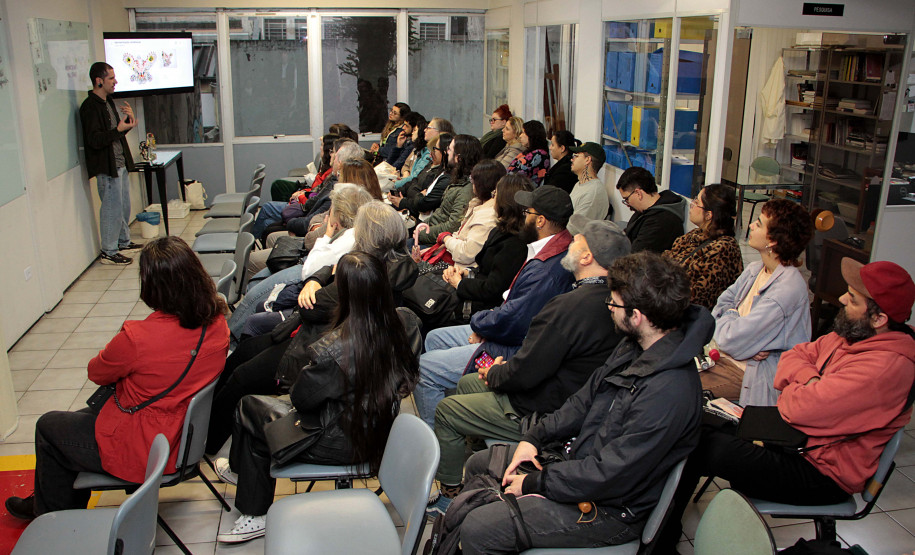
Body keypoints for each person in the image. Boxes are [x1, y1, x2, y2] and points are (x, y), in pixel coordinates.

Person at [457, 252, 714, 553]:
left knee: (479, 527)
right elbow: (583, 401)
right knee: (479, 464)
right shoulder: (636, 346)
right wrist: (534, 438)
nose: (609, 309)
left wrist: (534, 483)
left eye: (614, 303)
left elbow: (610, 474)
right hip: (581, 466)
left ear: (637, 316)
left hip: (610, 510)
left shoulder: (668, 392)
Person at [658, 258, 915, 552]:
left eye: (853, 298)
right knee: (697, 421)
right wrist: (812, 381)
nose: (843, 299)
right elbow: (795, 355)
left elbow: (796, 409)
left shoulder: (885, 368)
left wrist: (799, 389)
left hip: (821, 472)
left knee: (703, 446)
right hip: (795, 440)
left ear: (879, 318)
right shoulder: (853, 336)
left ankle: (662, 540)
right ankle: (661, 530)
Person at [5, 237, 230, 520]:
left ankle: (52, 519)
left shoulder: (138, 338)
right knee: (76, 421)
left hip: (146, 445)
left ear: (152, 286)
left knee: (49, 427)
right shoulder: (218, 323)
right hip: (185, 434)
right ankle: (48, 501)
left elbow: (96, 372)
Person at [428, 214, 630, 517]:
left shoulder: (572, 305)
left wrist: (496, 372)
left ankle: (448, 497)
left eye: (577, 239)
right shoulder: (613, 300)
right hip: (567, 398)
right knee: (467, 382)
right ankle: (476, 458)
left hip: (542, 410)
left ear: (587, 257)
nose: (570, 242)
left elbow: (527, 371)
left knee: (446, 411)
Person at [214, 251, 422, 544]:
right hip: (380, 430)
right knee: (254, 408)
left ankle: (255, 512)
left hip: (343, 442)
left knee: (248, 407)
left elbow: (301, 399)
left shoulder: (335, 349)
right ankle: (241, 472)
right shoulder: (405, 323)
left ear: (344, 293)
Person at [208, 201, 417, 454]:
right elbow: (330, 270)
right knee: (245, 351)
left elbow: (311, 308)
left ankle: (206, 441)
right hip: (325, 338)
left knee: (242, 377)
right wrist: (318, 278)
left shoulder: (363, 273)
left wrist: (317, 281)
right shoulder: (393, 265)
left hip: (320, 350)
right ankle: (205, 426)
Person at [413, 185, 575, 426]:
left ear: (540, 220)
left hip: (511, 347)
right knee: (434, 338)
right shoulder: (549, 248)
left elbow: (515, 322)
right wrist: (487, 324)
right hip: (501, 326)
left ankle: (439, 433)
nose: (524, 217)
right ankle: (453, 411)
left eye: (528, 212)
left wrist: (482, 326)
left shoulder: (547, 270)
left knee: (424, 369)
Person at [705, 198, 813, 405]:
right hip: (724, 359)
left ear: (773, 241)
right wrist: (737, 325)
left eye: (759, 223)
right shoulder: (756, 269)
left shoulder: (786, 290)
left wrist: (731, 320)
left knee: (677, 387)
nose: (751, 225)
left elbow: (730, 340)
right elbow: (720, 306)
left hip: (749, 375)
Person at [442, 174, 531, 321]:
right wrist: (465, 273)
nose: (492, 199)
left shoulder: (515, 243)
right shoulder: (501, 229)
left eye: (495, 194)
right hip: (476, 291)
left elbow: (493, 289)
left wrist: (459, 283)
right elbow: (485, 269)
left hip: (484, 309)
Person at [79, 62, 140, 266]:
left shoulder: (109, 102)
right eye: (111, 78)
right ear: (99, 81)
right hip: (107, 166)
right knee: (111, 209)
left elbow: (116, 133)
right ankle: (108, 251)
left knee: (123, 206)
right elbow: (95, 140)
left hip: (120, 162)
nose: (115, 82)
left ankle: (123, 241)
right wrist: (118, 130)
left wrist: (128, 122)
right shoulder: (90, 107)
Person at [663, 184, 743, 310]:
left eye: (697, 202)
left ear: (709, 215)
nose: (692, 204)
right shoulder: (696, 235)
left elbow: (697, 297)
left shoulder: (723, 250)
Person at [433, 160, 506, 269]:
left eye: (473, 180)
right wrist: (436, 248)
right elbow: (459, 236)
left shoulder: (488, 216)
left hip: (460, 270)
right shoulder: (477, 204)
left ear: (480, 184)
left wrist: (445, 238)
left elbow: (466, 254)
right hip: (453, 260)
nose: (471, 184)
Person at [413, 135, 484, 246]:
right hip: (431, 234)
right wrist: (420, 227)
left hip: (439, 243)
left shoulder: (467, 189)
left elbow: (453, 227)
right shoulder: (458, 180)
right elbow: (440, 214)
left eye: (449, 150)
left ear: (458, 158)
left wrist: (422, 234)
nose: (446, 152)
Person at [615, 166, 686, 253]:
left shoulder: (661, 222)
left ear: (638, 193)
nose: (627, 204)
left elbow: (636, 256)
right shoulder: (646, 211)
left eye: (627, 199)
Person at [389, 134, 453, 218]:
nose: (430, 155)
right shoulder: (430, 164)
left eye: (434, 150)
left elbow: (423, 203)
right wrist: (398, 192)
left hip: (413, 211)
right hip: (408, 204)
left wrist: (403, 202)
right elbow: (414, 181)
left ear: (445, 152)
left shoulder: (443, 176)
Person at [566, 142, 610, 233]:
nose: (571, 159)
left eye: (576, 156)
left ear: (587, 160)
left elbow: (574, 229)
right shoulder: (580, 184)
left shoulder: (593, 192)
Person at [507, 120, 551, 186]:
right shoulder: (529, 152)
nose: (520, 136)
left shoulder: (539, 154)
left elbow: (519, 175)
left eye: (523, 133)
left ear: (531, 135)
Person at [392, 112, 429, 189]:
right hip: (407, 182)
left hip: (410, 186)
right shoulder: (416, 148)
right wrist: (406, 172)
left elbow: (415, 176)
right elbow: (405, 164)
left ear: (420, 133)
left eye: (414, 130)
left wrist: (398, 183)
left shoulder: (426, 153)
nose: (412, 133)